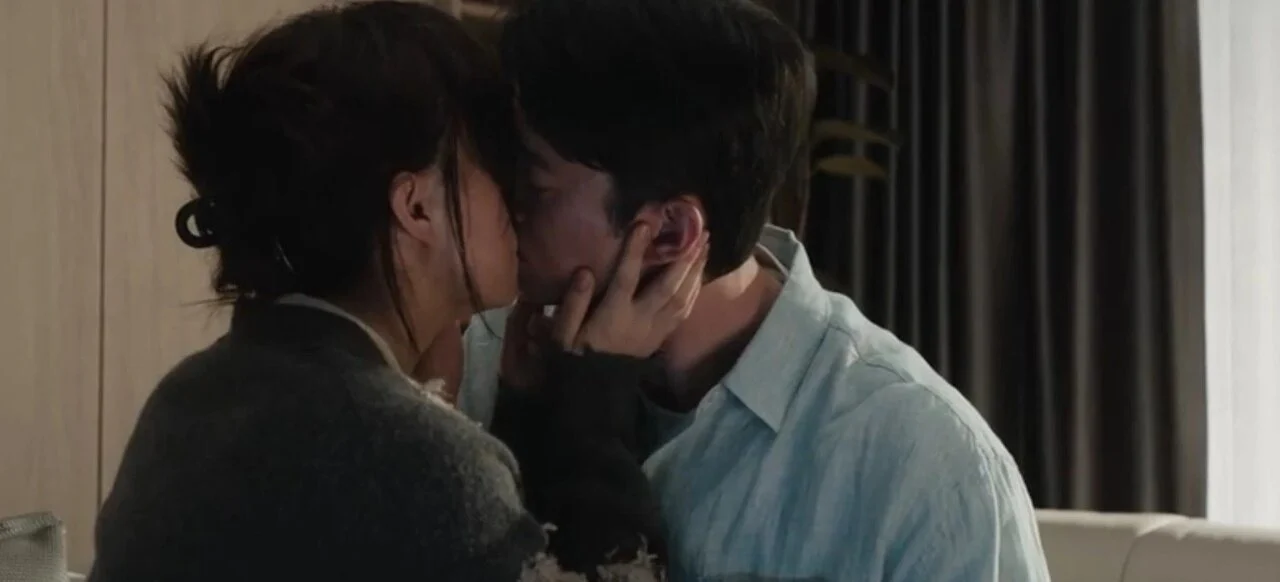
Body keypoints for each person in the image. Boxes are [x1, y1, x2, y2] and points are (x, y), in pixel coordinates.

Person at [90, 2, 699, 581]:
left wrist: (519, 408)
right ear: (416, 207)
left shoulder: (189, 397)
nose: (516, 200)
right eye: (495, 162)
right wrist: (593, 400)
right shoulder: (407, 453)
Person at [456, 0, 1053, 580]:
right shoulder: (491, 360)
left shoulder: (920, 464)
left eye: (534, 186)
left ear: (669, 233)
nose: (500, 203)